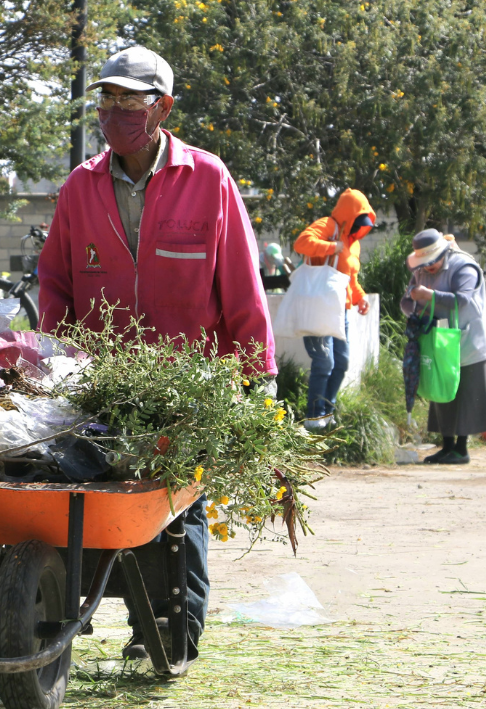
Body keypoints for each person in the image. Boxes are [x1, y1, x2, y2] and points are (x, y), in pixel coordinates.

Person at [38, 46, 276, 663]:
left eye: (130, 100)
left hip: (187, 379)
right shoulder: (81, 186)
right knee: (87, 491)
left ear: (162, 107)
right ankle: (69, 605)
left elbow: (241, 283)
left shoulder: (207, 179)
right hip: (101, 376)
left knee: (173, 507)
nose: (115, 111)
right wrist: (54, 363)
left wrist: (257, 375)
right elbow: (57, 283)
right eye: (107, 99)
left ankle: (169, 632)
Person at [400, 229, 486, 464]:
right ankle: (447, 446)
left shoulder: (465, 267)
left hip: (469, 342)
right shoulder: (421, 271)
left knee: (464, 393)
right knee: (441, 391)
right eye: (423, 263)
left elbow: (463, 299)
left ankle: (461, 449)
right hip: (439, 341)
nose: (427, 268)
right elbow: (408, 299)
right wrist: (412, 306)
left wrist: (428, 295)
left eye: (431, 262)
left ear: (442, 254)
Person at [291, 189, 375, 431]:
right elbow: (302, 243)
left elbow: (351, 278)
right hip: (318, 306)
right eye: (359, 223)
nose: (362, 229)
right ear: (349, 217)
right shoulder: (329, 225)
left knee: (341, 363)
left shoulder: (353, 243)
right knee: (324, 363)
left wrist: (360, 298)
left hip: (342, 310)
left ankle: (327, 413)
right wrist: (332, 246)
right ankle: (313, 418)